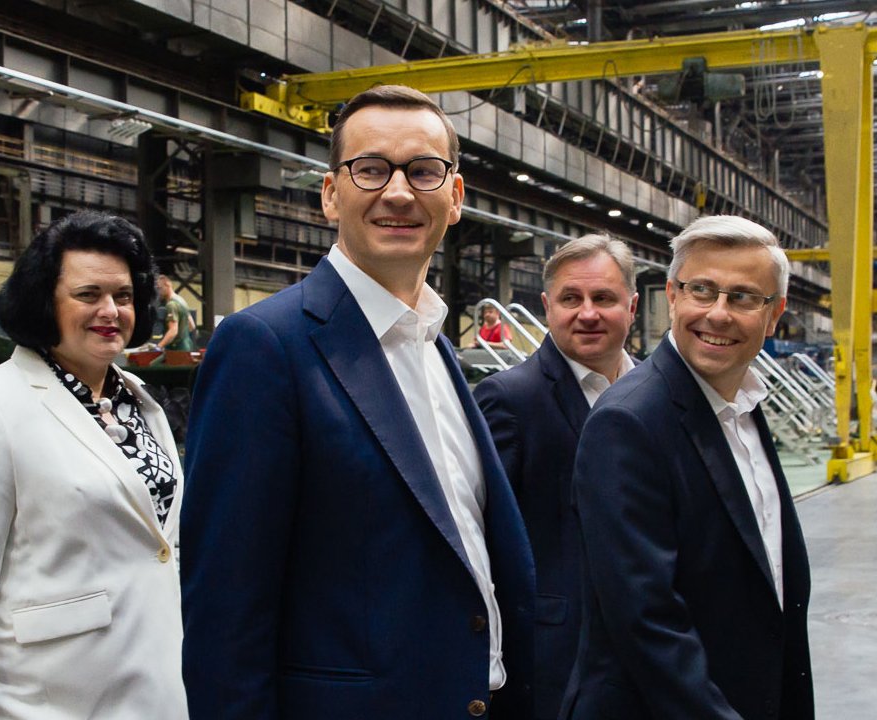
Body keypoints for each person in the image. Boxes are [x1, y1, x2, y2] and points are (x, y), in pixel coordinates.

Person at [180, 84, 536, 720]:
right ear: (330, 194)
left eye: (423, 171)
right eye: (370, 169)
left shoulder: (434, 345)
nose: (398, 193)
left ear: (455, 197)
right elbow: (225, 607)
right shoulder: (266, 346)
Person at [0, 210, 187, 720]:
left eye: (124, 296)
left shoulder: (140, 403)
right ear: (44, 301)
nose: (110, 311)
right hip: (48, 700)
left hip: (155, 687)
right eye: (88, 295)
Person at [562, 216, 813, 720]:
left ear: (775, 314)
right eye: (702, 290)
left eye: (743, 297)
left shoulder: (743, 407)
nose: (718, 314)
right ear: (673, 296)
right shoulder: (628, 423)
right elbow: (647, 621)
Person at [474, 233, 638, 720]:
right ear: (547, 307)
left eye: (603, 298)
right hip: (555, 657)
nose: (587, 313)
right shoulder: (509, 399)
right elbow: (486, 536)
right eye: (571, 298)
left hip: (645, 646)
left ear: (632, 306)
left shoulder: (654, 394)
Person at [157, 274, 197, 351]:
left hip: (176, 349)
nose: (158, 292)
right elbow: (191, 325)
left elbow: (173, 331)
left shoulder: (171, 305)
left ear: (167, 285)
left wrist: (159, 346)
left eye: (159, 288)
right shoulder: (181, 301)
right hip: (187, 346)